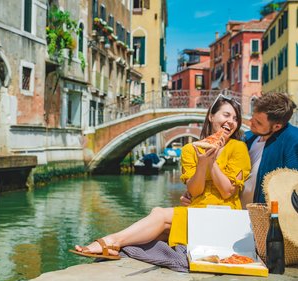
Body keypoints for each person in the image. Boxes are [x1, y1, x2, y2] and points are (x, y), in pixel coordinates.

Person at [70, 94, 251, 259]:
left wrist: (212, 162)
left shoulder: (238, 148)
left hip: (225, 215)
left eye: (235, 118)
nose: (231, 122)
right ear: (211, 117)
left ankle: (110, 241)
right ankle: (114, 246)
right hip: (197, 211)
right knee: (154, 231)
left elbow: (228, 191)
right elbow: (195, 191)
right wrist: (202, 162)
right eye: (226, 115)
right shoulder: (190, 149)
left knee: (159, 215)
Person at [181, 92, 298, 208]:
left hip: (268, 219)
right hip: (241, 215)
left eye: (258, 122)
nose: (250, 122)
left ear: (277, 126)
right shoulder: (247, 138)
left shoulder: (293, 140)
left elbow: (293, 187)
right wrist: (191, 194)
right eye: (253, 116)